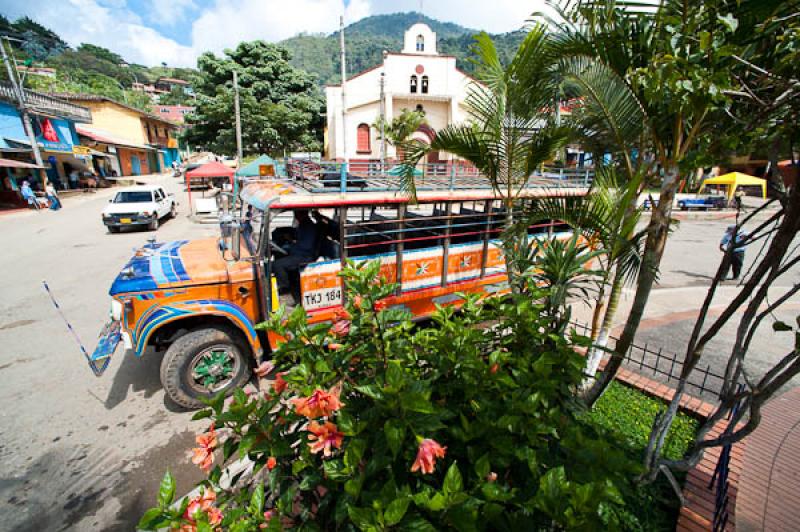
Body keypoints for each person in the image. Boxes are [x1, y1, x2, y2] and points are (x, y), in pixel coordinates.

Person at [272, 210, 320, 296]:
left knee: (277, 265)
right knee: (278, 255)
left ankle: (285, 287)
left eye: (296, 213)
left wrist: (291, 245)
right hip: (299, 252)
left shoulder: (308, 226)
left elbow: (306, 246)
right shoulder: (302, 224)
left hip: (304, 256)